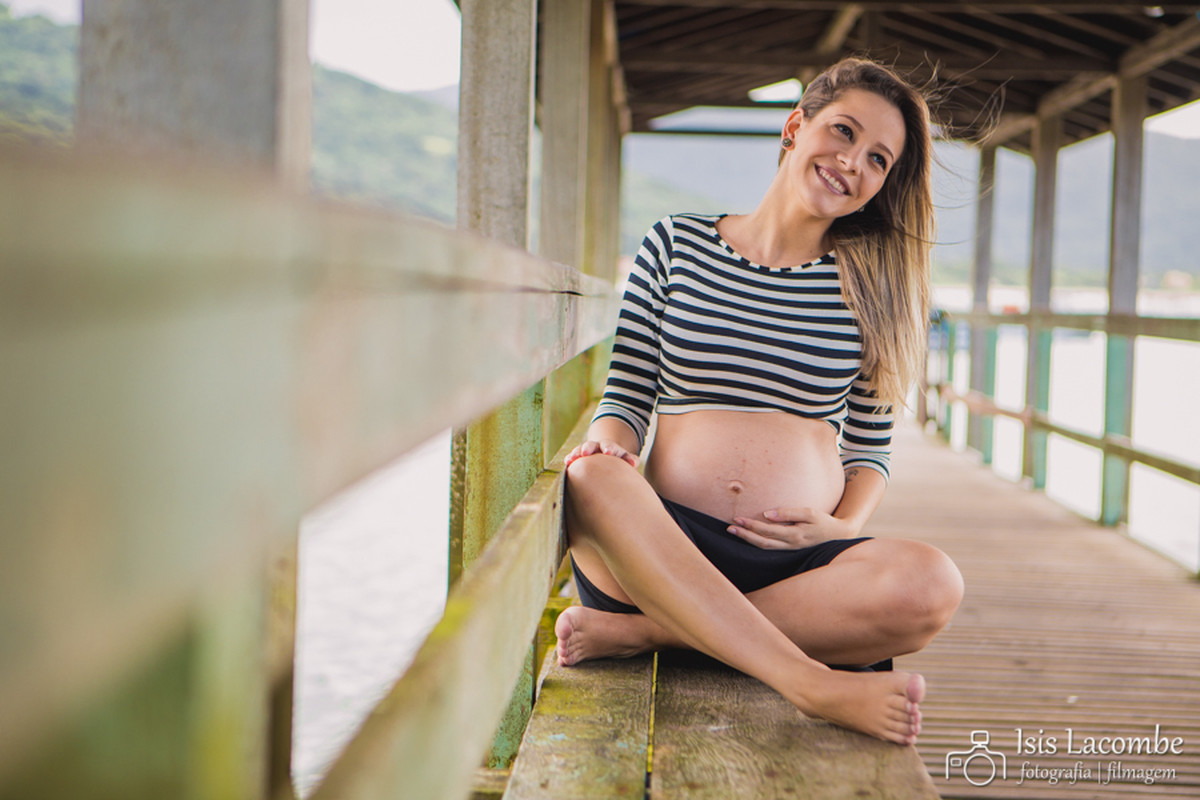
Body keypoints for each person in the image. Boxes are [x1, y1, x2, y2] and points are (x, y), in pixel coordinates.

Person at [555, 57, 964, 746]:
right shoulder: (677, 243)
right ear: (795, 125)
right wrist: (613, 446)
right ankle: (812, 681)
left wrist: (841, 530)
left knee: (933, 583)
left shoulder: (871, 286)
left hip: (793, 560)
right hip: (664, 545)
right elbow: (626, 393)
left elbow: (869, 448)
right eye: (841, 130)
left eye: (877, 159)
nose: (851, 162)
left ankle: (651, 634)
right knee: (591, 475)